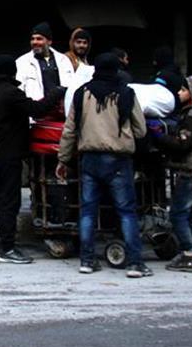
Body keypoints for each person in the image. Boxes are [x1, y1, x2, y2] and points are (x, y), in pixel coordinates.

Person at [57, 53, 150, 279]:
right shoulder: (126, 93)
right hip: (118, 160)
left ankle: (87, 261)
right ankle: (135, 264)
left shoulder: (82, 93)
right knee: (127, 212)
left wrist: (63, 159)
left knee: (88, 210)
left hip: (89, 159)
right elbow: (141, 130)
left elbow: (70, 130)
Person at [0, 55, 65, 264]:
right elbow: (36, 110)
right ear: (12, 72)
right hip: (9, 156)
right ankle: (8, 249)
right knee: (9, 201)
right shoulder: (11, 93)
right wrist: (55, 93)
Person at [155, 75, 192, 273]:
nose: (179, 93)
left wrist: (158, 137)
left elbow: (182, 145)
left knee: (178, 213)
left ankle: (188, 254)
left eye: (183, 90)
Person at [15, 22, 75, 103]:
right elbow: (19, 92)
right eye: (32, 39)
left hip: (62, 111)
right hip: (38, 112)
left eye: (39, 39)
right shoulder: (22, 62)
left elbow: (72, 87)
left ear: (49, 41)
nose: (34, 42)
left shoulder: (63, 60)